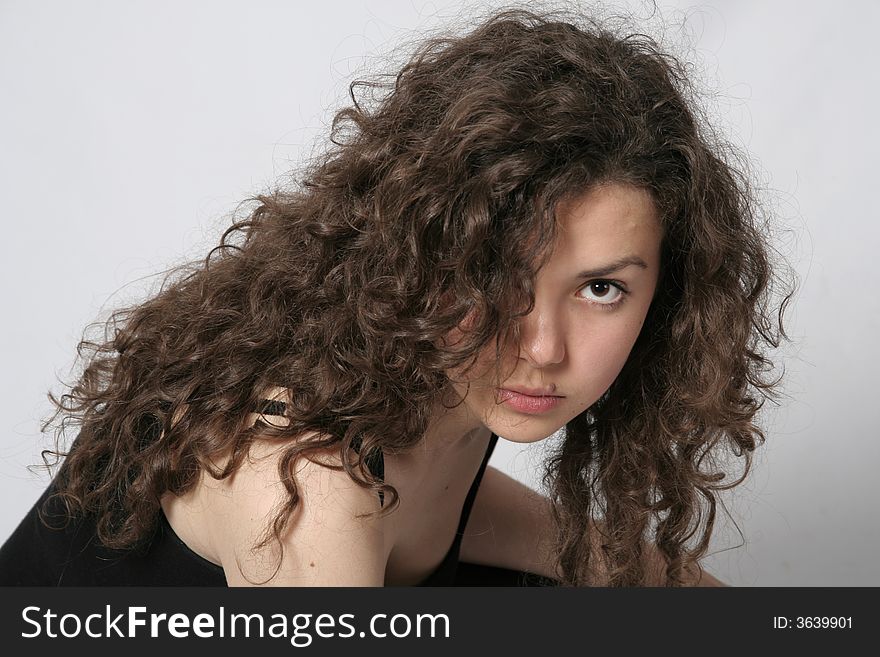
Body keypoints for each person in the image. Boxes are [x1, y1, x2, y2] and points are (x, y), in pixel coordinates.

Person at [0, 8, 788, 587]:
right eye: (499, 273)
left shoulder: (438, 385)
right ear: (420, 250)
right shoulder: (309, 484)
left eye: (602, 288)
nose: (543, 346)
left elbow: (459, 523)